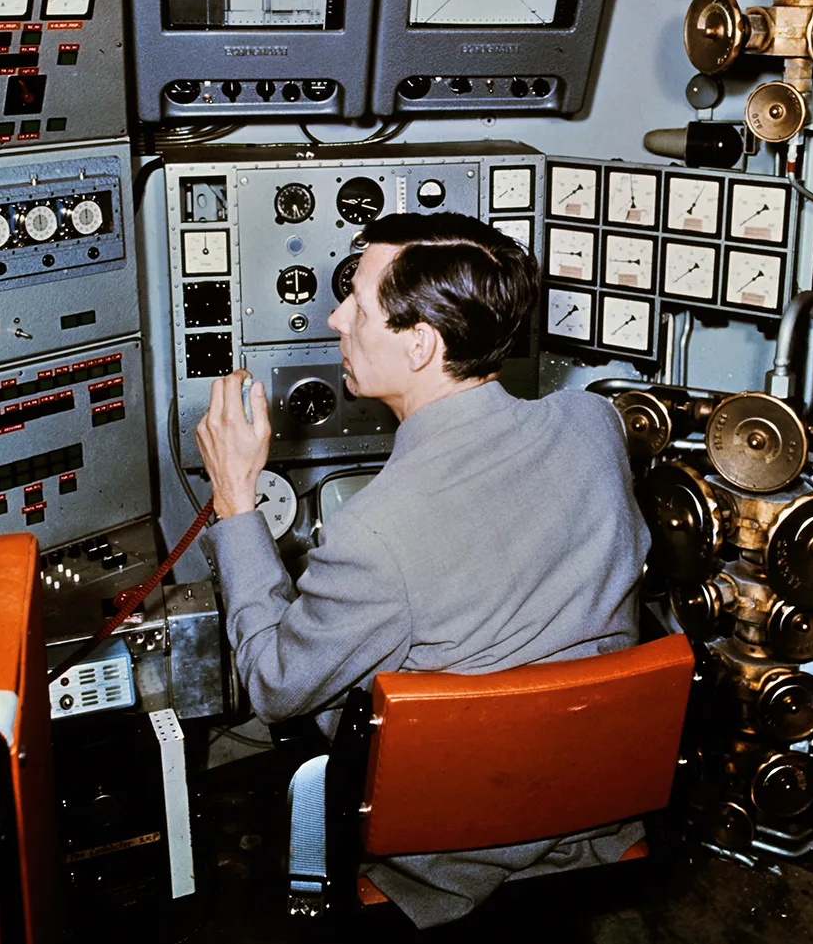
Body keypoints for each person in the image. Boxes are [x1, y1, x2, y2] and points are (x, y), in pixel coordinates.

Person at [196, 212, 651, 928]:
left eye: (359, 302)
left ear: (421, 344)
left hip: (451, 853)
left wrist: (234, 502)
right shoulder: (595, 426)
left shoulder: (375, 532)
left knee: (240, 734)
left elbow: (276, 684)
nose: (335, 315)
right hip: (591, 810)